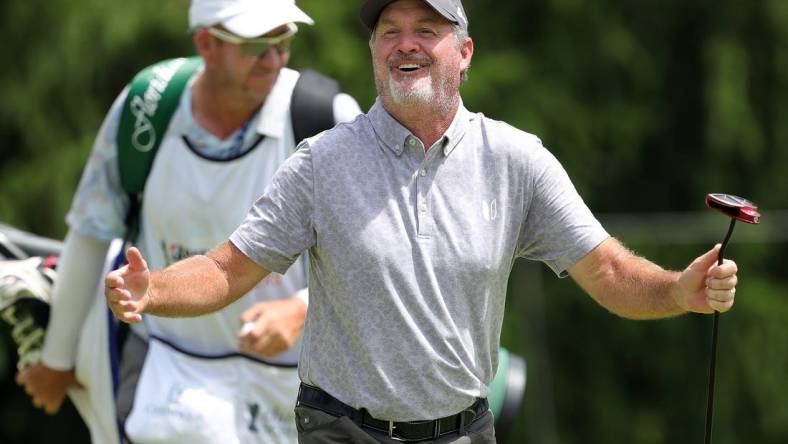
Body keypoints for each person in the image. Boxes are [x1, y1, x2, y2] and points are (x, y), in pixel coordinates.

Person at [105, 0, 740, 442]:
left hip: (463, 432)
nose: (405, 41)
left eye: (426, 27)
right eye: (389, 29)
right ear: (375, 51)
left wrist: (677, 291)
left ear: (463, 52)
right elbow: (226, 270)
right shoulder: (321, 162)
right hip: (338, 431)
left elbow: (606, 270)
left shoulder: (517, 161)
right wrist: (151, 289)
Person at [16, 0, 362, 443]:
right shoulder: (147, 106)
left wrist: (302, 309)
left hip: (296, 384)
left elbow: (378, 254)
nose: (273, 59)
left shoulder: (324, 114)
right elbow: (91, 230)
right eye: (256, 44)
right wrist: (57, 360)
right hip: (167, 369)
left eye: (284, 41)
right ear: (207, 43)